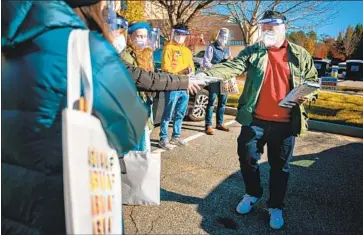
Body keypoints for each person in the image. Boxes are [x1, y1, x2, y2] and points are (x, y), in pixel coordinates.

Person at [1, 1, 148, 234]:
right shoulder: (87, 47)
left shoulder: (9, 52)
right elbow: (132, 128)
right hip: (66, 211)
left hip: (10, 205)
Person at [198, 11, 318, 229]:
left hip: (285, 125)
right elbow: (231, 66)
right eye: (264, 27)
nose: (267, 31)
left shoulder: (300, 54)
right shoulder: (254, 51)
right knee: (246, 158)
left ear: (283, 28)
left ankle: (276, 206)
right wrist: (205, 75)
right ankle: (252, 193)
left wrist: (307, 95)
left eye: (272, 26)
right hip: (255, 121)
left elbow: (313, 81)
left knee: (280, 167)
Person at [158, 23, 195, 150]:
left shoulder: (187, 51)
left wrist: (190, 72)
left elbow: (192, 68)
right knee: (168, 113)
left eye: (183, 35)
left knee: (180, 113)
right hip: (173, 85)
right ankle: (163, 138)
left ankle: (176, 136)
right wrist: (181, 71)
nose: (181, 37)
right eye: (178, 34)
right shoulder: (168, 48)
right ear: (174, 34)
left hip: (185, 86)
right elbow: (165, 68)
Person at [203, 28, 233, 135]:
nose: (224, 38)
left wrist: (230, 61)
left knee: (222, 103)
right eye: (223, 36)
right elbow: (206, 63)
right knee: (211, 102)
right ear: (219, 35)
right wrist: (217, 68)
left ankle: (219, 123)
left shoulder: (227, 49)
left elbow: (230, 64)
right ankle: (208, 125)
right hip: (214, 79)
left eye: (226, 36)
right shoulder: (211, 47)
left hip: (224, 80)